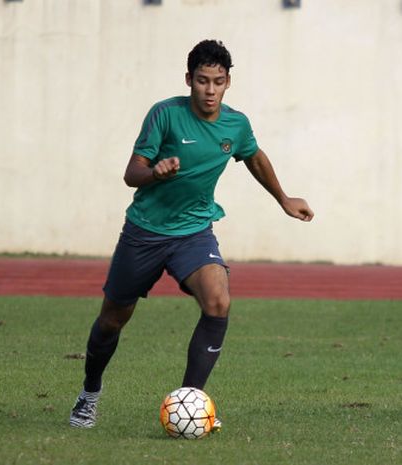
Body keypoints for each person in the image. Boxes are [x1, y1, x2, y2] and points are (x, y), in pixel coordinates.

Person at [69, 39, 314, 429]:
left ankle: (190, 403)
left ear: (228, 82)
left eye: (218, 81)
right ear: (189, 79)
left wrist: (283, 198)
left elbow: (253, 155)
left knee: (218, 301)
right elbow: (131, 174)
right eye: (202, 81)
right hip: (144, 232)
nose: (210, 90)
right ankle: (89, 394)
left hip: (194, 231)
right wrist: (155, 172)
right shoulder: (164, 115)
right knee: (112, 319)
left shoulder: (236, 123)